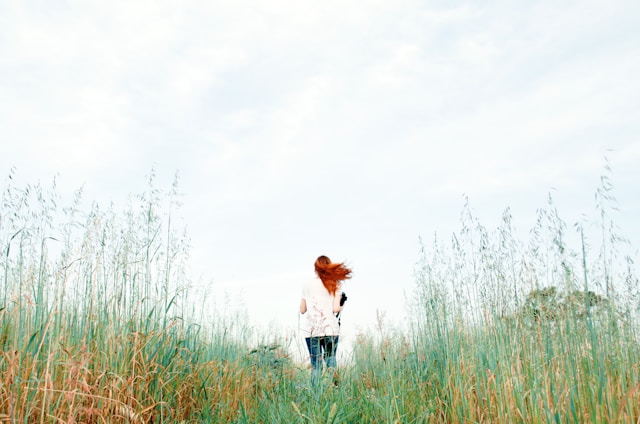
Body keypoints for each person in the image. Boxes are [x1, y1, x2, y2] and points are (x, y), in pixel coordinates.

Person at [299, 255, 352, 386]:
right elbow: (335, 309)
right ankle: (334, 393)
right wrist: (342, 305)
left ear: (315, 268)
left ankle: (315, 396)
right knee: (331, 361)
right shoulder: (334, 283)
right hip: (330, 329)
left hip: (311, 331)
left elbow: (302, 310)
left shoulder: (307, 284)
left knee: (316, 366)